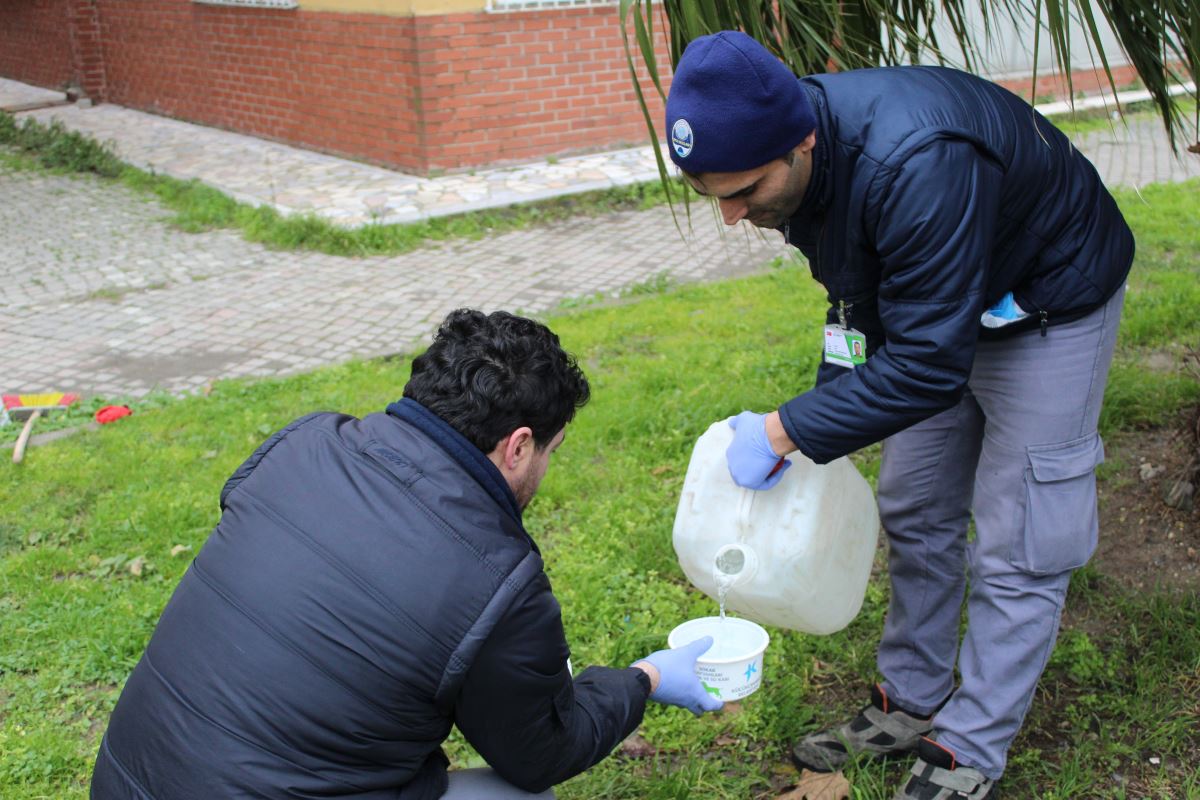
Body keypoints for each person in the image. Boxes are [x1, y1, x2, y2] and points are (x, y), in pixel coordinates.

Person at [665, 31, 1133, 800]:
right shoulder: (796, 157)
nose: (731, 215)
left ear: (802, 141)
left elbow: (925, 369)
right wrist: (821, 415)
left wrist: (786, 428)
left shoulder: (919, 159)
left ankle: (971, 746)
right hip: (942, 311)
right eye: (712, 194)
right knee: (915, 502)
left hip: (1048, 295)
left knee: (1020, 540)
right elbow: (860, 298)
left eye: (743, 191)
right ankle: (912, 699)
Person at [90, 309, 722, 800]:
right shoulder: (499, 582)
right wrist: (646, 679)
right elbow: (540, 753)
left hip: (123, 783)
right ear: (519, 445)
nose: (548, 467)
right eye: (553, 450)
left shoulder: (304, 445)